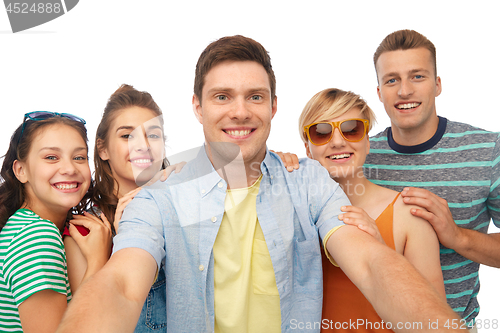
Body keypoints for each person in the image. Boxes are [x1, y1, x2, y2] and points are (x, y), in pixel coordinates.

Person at [57, 35, 465, 333]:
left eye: (255, 97)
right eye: (222, 97)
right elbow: (124, 284)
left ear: (273, 106)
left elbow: (373, 264)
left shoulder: (307, 181)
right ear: (197, 107)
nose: (240, 111)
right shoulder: (160, 197)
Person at [364, 29, 500, 330]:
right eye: (391, 80)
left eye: (417, 76)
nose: (404, 91)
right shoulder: (360, 156)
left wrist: (457, 236)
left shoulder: (488, 149)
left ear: (437, 85)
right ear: (379, 93)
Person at [298, 88, 445, 332]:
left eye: (351, 129)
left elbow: (431, 321)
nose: (337, 141)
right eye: (321, 132)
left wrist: (382, 253)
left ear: (367, 142)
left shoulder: (409, 216)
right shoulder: (294, 212)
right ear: (307, 149)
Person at [64, 84, 183, 333]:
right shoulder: (85, 230)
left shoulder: (181, 204)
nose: (142, 146)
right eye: (127, 135)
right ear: (103, 149)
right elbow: (89, 321)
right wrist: (124, 241)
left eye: (153, 135)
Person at [0, 112, 111, 333]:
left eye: (79, 157)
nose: (69, 169)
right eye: (51, 157)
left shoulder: (28, 226)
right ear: (21, 170)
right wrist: (98, 259)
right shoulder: (36, 236)